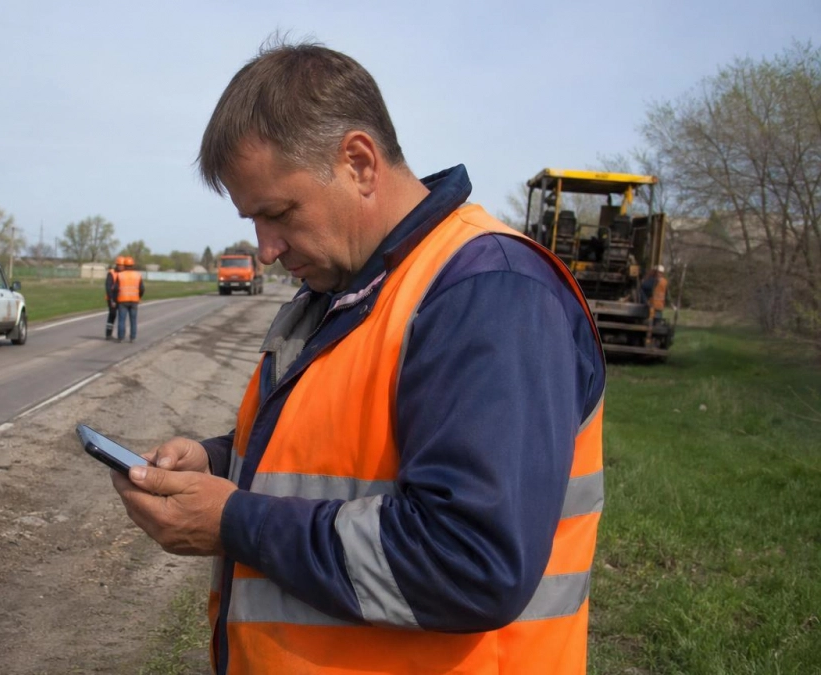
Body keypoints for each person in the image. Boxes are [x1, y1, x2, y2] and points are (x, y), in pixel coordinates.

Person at [110, 40, 607, 675]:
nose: (265, 249)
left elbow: (472, 559)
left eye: (278, 213)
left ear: (359, 162)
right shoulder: (341, 287)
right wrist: (217, 459)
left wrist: (236, 522)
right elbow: (337, 447)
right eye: (252, 221)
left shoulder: (490, 292)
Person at [113, 256, 144, 343]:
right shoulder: (138, 275)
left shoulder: (120, 275)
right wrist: (139, 296)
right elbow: (142, 289)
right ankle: (132, 337)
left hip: (122, 300)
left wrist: (115, 300)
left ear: (124, 265)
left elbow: (115, 289)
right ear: (133, 265)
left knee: (122, 320)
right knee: (133, 320)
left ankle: (121, 337)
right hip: (134, 300)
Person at [105, 256, 123, 340]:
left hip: (121, 298)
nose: (121, 266)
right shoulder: (111, 273)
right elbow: (108, 287)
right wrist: (112, 299)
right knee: (112, 315)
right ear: (116, 264)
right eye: (119, 265)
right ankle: (108, 334)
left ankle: (120, 335)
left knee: (121, 316)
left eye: (122, 265)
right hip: (112, 298)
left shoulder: (124, 273)